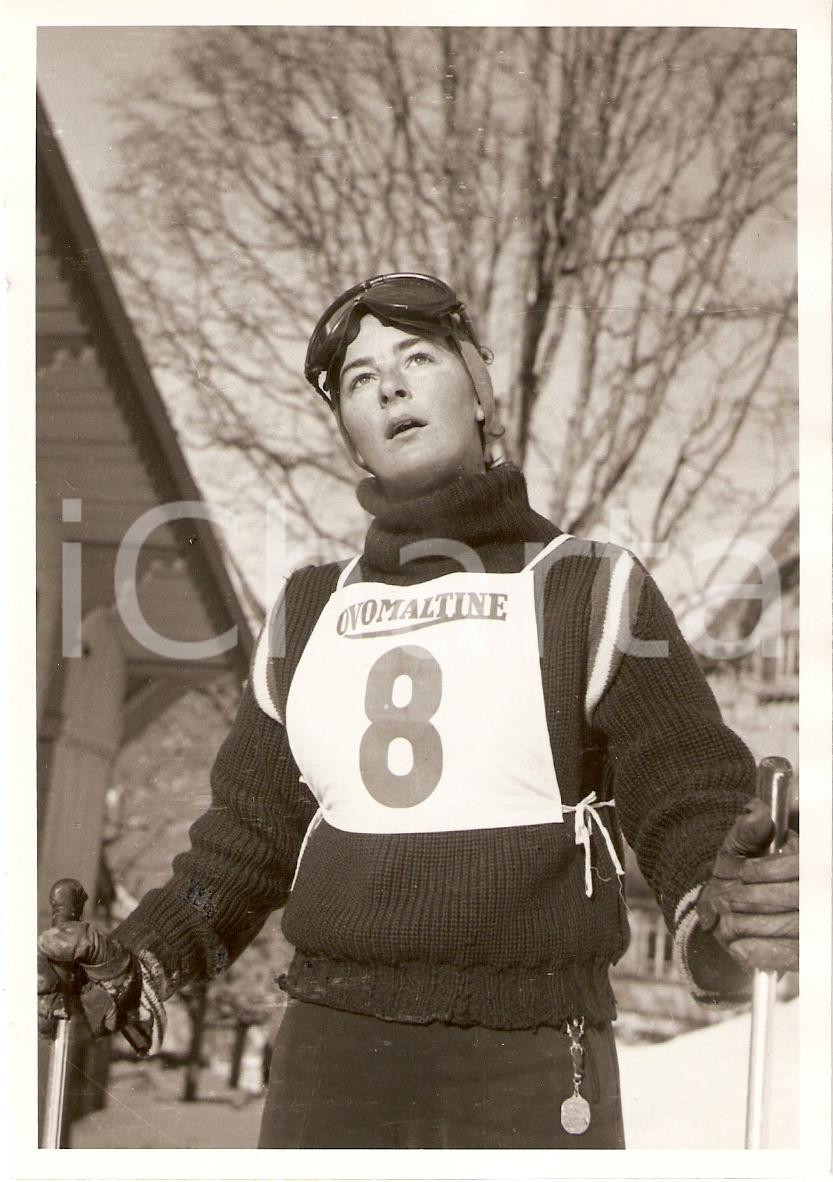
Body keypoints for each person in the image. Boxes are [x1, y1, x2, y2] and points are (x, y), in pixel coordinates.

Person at [38, 273, 799, 1149]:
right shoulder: (305, 610)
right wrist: (141, 960)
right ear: (355, 440)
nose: (389, 386)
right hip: (330, 1054)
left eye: (416, 358)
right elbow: (245, 839)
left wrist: (728, 905)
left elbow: (685, 794)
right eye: (359, 381)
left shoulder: (588, 586)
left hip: (533, 1058)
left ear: (479, 396)